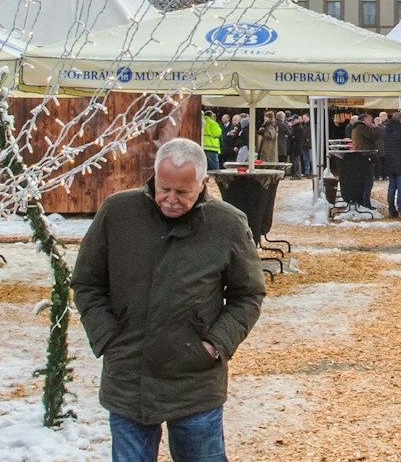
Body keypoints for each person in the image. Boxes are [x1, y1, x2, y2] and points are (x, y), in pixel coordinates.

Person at [72, 137, 266, 462]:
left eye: (182, 192)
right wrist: (108, 337)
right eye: (164, 189)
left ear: (203, 184)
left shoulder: (228, 224)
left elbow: (248, 294)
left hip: (195, 381)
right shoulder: (117, 213)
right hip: (129, 379)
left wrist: (216, 342)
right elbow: (87, 283)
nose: (171, 199)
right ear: (154, 176)